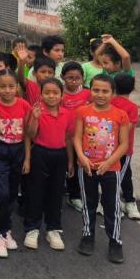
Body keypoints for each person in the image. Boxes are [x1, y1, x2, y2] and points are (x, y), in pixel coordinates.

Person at [73, 74, 130, 263]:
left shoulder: (120, 115)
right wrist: (81, 157)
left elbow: (123, 144)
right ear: (90, 90)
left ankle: (115, 241)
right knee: (88, 202)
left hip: (111, 168)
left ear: (113, 93)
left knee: (111, 205)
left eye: (105, 91)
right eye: (96, 90)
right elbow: (77, 137)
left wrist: (108, 162)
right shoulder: (82, 111)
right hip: (87, 167)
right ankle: (88, 235)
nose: (100, 94)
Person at [0, 69, 31, 257]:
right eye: (3, 86)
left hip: (18, 151)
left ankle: (6, 229)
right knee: (1, 194)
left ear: (17, 87)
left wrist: (27, 157)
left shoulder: (24, 105)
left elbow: (27, 134)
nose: (8, 90)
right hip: (0, 151)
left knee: (11, 194)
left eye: (11, 86)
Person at [23, 78, 75, 253]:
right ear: (41, 94)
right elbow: (29, 135)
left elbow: (68, 139)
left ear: (62, 95)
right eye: (47, 92)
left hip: (59, 155)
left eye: (55, 93)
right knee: (36, 191)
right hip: (39, 153)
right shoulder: (36, 111)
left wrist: (69, 160)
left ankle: (53, 229)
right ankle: (32, 228)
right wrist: (36, 119)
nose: (51, 96)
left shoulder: (67, 114)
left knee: (56, 192)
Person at [110, 73, 140, 221]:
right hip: (124, 149)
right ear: (133, 88)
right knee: (120, 176)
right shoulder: (132, 107)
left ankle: (128, 201)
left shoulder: (110, 102)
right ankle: (116, 203)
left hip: (108, 148)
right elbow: (127, 128)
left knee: (124, 174)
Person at [60, 61, 90, 212]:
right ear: (62, 77)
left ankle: (81, 196)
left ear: (82, 79)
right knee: (69, 166)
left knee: (83, 166)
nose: (73, 81)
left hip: (85, 138)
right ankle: (73, 195)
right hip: (65, 138)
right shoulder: (60, 94)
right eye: (70, 77)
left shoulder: (87, 93)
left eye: (77, 78)